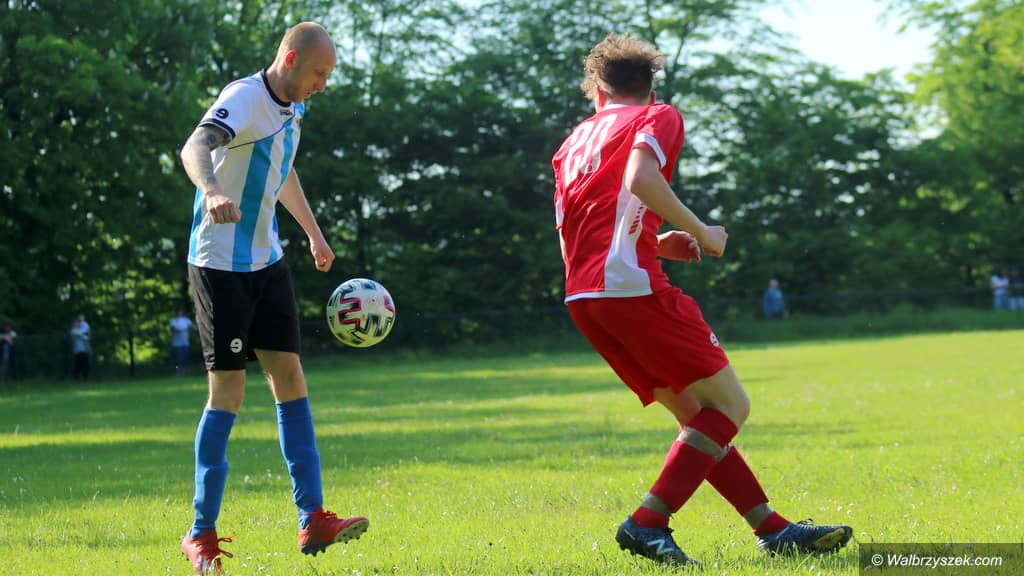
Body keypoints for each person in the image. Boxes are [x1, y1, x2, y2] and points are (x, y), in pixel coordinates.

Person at [551, 34, 852, 567]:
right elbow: (641, 178)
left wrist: (653, 242)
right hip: (632, 290)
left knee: (697, 419)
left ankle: (773, 529)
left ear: (597, 89)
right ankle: (647, 522)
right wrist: (701, 231)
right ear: (649, 87)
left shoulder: (573, 141)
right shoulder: (658, 114)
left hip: (585, 296)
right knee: (730, 407)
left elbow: (582, 226)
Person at [178, 22, 367, 574]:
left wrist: (314, 233)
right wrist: (213, 190)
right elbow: (195, 146)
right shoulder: (243, 97)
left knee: (291, 377)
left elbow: (280, 169)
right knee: (229, 392)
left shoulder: (292, 107)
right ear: (289, 60)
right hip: (220, 265)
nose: (323, 84)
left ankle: (313, 518)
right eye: (318, 73)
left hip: (268, 261)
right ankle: (200, 533)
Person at [170, 308, 195, 377]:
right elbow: (174, 328)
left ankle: (184, 373)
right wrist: (185, 329)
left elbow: (193, 327)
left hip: (185, 343)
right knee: (178, 360)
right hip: (177, 344)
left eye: (180, 312)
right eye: (178, 312)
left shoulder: (186, 320)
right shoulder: (173, 321)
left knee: (185, 359)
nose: (179, 313)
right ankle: (178, 372)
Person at [69, 314, 92, 380]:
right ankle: (78, 377)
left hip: (84, 350)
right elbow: (84, 334)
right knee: (80, 365)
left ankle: (82, 377)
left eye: (78, 323)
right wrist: (86, 333)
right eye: (76, 323)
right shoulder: (73, 331)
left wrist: (86, 334)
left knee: (83, 364)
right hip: (78, 351)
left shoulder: (79, 330)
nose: (78, 324)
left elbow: (87, 337)